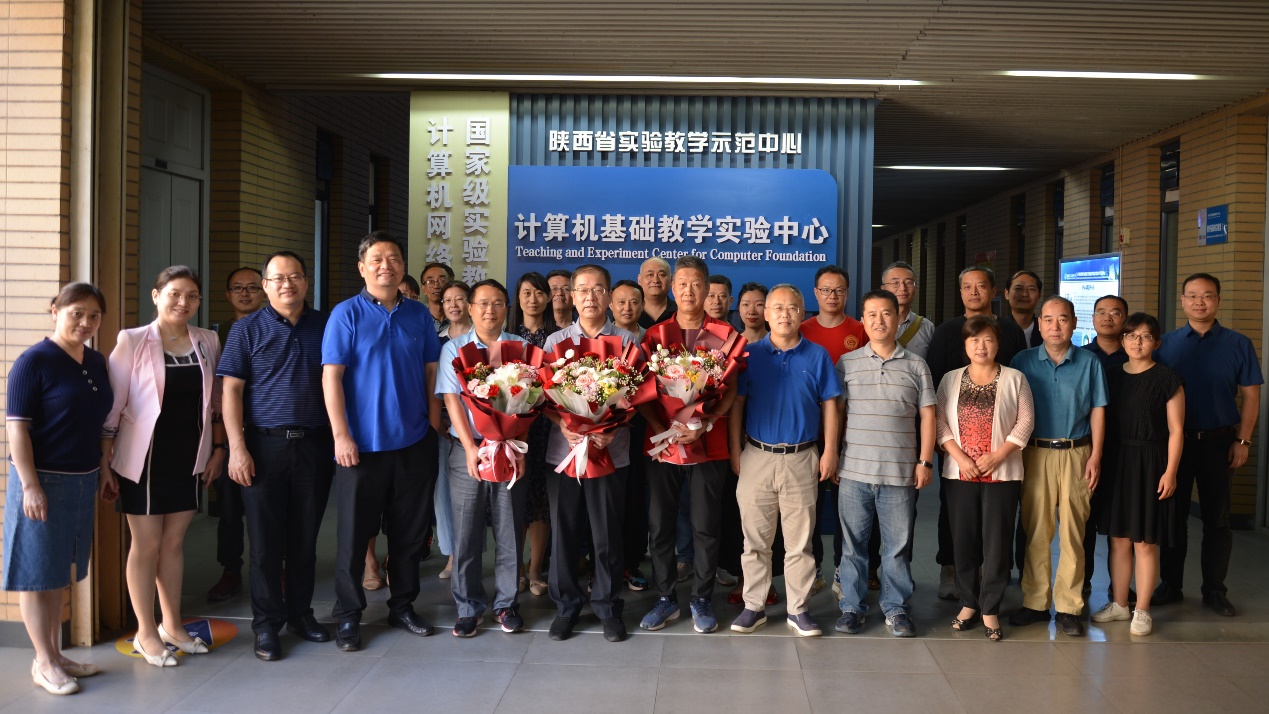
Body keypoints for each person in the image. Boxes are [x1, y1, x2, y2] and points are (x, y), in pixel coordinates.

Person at [322, 231, 443, 651]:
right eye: (376, 259)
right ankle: (348, 614)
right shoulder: (346, 314)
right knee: (354, 537)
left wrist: (432, 423)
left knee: (409, 535)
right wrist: (341, 435)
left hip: (413, 442)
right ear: (362, 268)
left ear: (403, 267)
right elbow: (331, 377)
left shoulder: (418, 315)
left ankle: (403, 605)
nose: (385, 265)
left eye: (393, 258)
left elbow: (431, 371)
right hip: (361, 448)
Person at [102, 266, 225, 667]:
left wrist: (218, 449)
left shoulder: (207, 340)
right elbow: (114, 405)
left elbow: (216, 401)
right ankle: (145, 632)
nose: (182, 302)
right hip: (145, 457)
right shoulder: (133, 340)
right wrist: (105, 460)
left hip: (189, 454)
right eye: (174, 293)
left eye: (191, 296)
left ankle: (172, 625)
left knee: (174, 544)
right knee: (146, 545)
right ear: (156, 296)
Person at [218, 251, 334, 661]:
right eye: (278, 278)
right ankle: (266, 625)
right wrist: (236, 448)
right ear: (266, 285)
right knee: (265, 545)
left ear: (306, 281)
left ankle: (300, 615)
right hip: (263, 447)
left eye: (295, 276)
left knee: (305, 539)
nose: (288, 284)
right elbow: (231, 391)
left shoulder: (326, 325)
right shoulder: (245, 329)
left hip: (315, 444)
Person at [4, 284, 114, 694]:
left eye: (94, 315)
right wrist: (30, 485)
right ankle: (44, 662)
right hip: (42, 481)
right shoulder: (33, 361)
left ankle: (55, 654)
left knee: (57, 572)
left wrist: (104, 469)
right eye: (76, 313)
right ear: (55, 310)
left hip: (82, 479)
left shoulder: (96, 361)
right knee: (36, 574)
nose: (85, 322)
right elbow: (17, 429)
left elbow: (100, 423)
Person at [727, 284, 841, 637]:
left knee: (799, 544)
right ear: (766, 314)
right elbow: (737, 405)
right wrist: (735, 450)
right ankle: (754, 606)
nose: (785, 314)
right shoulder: (749, 354)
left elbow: (831, 405)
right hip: (756, 456)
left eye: (792, 308)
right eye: (777, 308)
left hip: (802, 457)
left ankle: (798, 609)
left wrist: (830, 450)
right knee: (755, 541)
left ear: (802, 313)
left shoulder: (818, 355)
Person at [639, 256, 738, 634]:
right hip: (663, 446)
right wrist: (663, 428)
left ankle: (701, 598)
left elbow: (730, 391)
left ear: (707, 289)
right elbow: (643, 394)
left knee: (705, 526)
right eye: (682, 284)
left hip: (708, 445)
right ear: (672, 288)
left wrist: (705, 423)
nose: (689, 291)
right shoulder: (656, 335)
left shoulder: (722, 334)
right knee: (660, 525)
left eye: (697, 284)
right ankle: (666, 598)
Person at [1154, 273, 1262, 616]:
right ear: (1182, 300)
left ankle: (1215, 590)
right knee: (1173, 518)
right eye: (1192, 295)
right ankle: (1171, 584)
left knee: (1217, 520)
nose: (1199, 302)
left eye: (1207, 295)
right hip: (1176, 444)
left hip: (1219, 442)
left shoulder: (1239, 343)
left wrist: (1243, 440)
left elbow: (1251, 395)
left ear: (1218, 300)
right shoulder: (1165, 344)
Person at [542, 264, 639, 643]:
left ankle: (608, 607)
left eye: (598, 289)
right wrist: (562, 423)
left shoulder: (627, 341)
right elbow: (542, 397)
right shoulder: (554, 342)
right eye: (583, 290)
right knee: (564, 532)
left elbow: (638, 397)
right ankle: (566, 607)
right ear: (571, 296)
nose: (590, 296)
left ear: (609, 296)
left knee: (607, 534)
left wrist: (612, 428)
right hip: (564, 452)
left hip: (610, 452)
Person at [835, 289, 936, 638]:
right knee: (853, 547)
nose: (879, 321)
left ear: (897, 319)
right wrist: (834, 455)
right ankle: (851, 607)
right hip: (854, 471)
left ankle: (896, 608)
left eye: (886, 313)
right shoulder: (847, 363)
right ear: (863, 320)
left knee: (896, 548)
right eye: (872, 314)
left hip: (899, 473)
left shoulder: (917, 365)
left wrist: (925, 461)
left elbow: (928, 416)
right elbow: (837, 414)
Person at [436, 279, 531, 637]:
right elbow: (451, 399)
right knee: (467, 531)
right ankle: (468, 606)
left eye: (497, 303)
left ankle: (506, 604)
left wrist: (518, 445)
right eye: (483, 304)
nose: (490, 310)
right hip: (468, 449)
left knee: (509, 528)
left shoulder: (521, 347)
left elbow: (530, 403)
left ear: (506, 308)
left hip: (510, 448)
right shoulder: (454, 348)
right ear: (471, 308)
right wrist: (470, 447)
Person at [926, 267, 1027, 599]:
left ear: (994, 290)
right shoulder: (946, 332)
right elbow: (935, 386)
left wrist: (1002, 450)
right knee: (954, 514)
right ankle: (951, 569)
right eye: (967, 286)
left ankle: (994, 577)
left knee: (999, 521)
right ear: (960, 293)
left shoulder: (1010, 331)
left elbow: (1019, 388)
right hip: (957, 446)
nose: (974, 292)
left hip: (1001, 448)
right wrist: (947, 445)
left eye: (981, 286)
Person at [1010, 296, 1107, 637]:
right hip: (1033, 453)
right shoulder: (1022, 361)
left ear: (1074, 323)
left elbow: (1098, 410)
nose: (1055, 326)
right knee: (1036, 530)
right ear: (1039, 324)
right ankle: (1035, 602)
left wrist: (1096, 455)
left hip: (1077, 452)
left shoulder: (1089, 362)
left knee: (1073, 533)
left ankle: (1069, 607)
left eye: (1063, 319)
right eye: (1048, 319)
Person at [366, 279, 470, 592]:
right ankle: (449, 554)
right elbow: (429, 381)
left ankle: (466, 556)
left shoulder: (481, 338)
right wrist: (436, 421)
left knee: (466, 497)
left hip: (474, 428)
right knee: (440, 495)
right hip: (437, 427)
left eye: (459, 299)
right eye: (448, 300)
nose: (453, 305)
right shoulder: (435, 338)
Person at [936, 316, 1035, 642]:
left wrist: (997, 456)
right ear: (965, 345)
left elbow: (1025, 422)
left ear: (998, 343)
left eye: (988, 339)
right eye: (974, 340)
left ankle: (990, 607)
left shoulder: (1015, 378)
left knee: (997, 542)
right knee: (963, 540)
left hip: (1001, 474)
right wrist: (961, 458)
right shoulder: (950, 379)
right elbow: (939, 422)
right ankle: (968, 603)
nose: (981, 346)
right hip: (960, 473)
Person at [1091, 313, 1183, 637]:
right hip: (1117, 461)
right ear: (1123, 340)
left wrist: (1171, 472)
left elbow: (1176, 430)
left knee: (1145, 540)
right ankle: (1119, 603)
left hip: (1151, 462)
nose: (1137, 342)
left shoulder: (1167, 378)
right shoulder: (1111, 375)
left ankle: (1142, 609)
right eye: (1131, 335)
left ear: (1156, 342)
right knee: (1118, 539)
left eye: (1145, 336)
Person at [799, 265, 867, 595]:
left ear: (847, 293)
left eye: (838, 290)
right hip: (808, 435)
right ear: (815, 293)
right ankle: (813, 569)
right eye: (826, 290)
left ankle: (843, 569)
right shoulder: (801, 330)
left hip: (852, 437)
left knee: (846, 512)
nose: (832, 296)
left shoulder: (860, 330)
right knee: (807, 509)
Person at [208, 267, 264, 602]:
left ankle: (274, 568)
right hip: (228, 434)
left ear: (264, 291)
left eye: (252, 287)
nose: (245, 293)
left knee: (270, 507)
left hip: (267, 431)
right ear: (228, 294)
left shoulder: (274, 326)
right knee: (229, 510)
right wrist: (219, 445)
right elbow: (216, 392)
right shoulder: (215, 337)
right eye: (238, 288)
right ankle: (230, 570)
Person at [508, 272, 560, 596]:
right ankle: (515, 568)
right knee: (517, 500)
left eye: (539, 293)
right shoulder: (508, 336)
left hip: (547, 427)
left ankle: (536, 569)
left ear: (548, 298)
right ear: (518, 297)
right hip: (514, 427)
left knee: (541, 499)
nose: (533, 299)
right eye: (527, 293)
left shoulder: (557, 338)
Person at [1081, 295, 1130, 599]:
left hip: (1128, 450)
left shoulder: (1136, 355)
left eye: (1115, 312)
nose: (1108, 317)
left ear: (1125, 319)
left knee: (1122, 523)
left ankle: (1120, 586)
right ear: (1092, 318)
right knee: (1085, 519)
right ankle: (1083, 582)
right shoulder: (1083, 357)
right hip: (1088, 449)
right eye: (1101, 312)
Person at [609, 278, 652, 591]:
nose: (628, 308)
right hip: (605, 430)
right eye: (621, 302)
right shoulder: (604, 339)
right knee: (606, 503)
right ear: (611, 305)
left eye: (634, 302)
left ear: (643, 305)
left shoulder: (651, 339)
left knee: (635, 498)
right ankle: (602, 567)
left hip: (642, 429)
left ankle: (631, 562)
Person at [880, 261, 934, 360]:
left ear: (916, 288)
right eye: (895, 283)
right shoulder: (870, 325)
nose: (903, 288)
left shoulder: (927, 327)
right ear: (883, 288)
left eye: (909, 283)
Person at [1003, 270, 1043, 348]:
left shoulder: (1047, 330)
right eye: (1018, 289)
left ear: (1039, 295)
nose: (1025, 294)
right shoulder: (997, 330)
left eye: (1031, 289)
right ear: (1007, 293)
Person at [638, 257, 676, 328]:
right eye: (650, 275)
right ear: (639, 279)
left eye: (661, 275)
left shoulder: (681, 312)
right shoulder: (631, 312)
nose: (655, 280)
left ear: (671, 280)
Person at [421, 261, 455, 335]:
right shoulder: (418, 321)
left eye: (442, 280)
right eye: (430, 281)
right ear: (424, 289)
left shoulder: (461, 320)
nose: (436, 286)